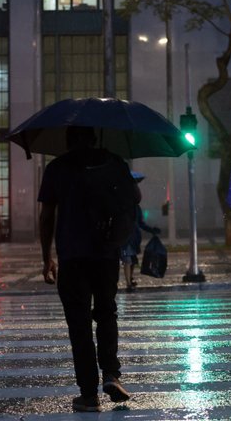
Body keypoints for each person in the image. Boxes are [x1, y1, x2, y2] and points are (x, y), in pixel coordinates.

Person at [38, 126, 139, 412]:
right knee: (106, 312)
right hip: (106, 254)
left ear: (68, 140)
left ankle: (88, 395)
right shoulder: (115, 162)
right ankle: (111, 374)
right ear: (95, 138)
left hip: (72, 257)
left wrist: (46, 258)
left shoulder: (57, 167)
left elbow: (47, 217)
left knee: (79, 325)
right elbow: (136, 198)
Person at [120, 172, 161, 292]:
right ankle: (128, 284)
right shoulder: (124, 206)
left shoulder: (136, 207)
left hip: (133, 238)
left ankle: (130, 279)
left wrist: (152, 230)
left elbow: (141, 223)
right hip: (126, 238)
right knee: (127, 260)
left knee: (131, 260)